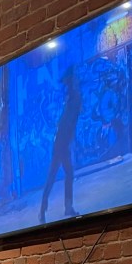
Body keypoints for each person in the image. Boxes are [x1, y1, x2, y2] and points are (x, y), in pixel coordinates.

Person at [39, 67, 82, 224]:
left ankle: (45, 210)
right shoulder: (73, 98)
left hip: (61, 142)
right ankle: (61, 208)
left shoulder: (71, 98)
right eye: (74, 78)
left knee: (56, 175)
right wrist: (69, 142)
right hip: (62, 143)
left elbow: (67, 123)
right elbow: (68, 123)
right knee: (64, 174)